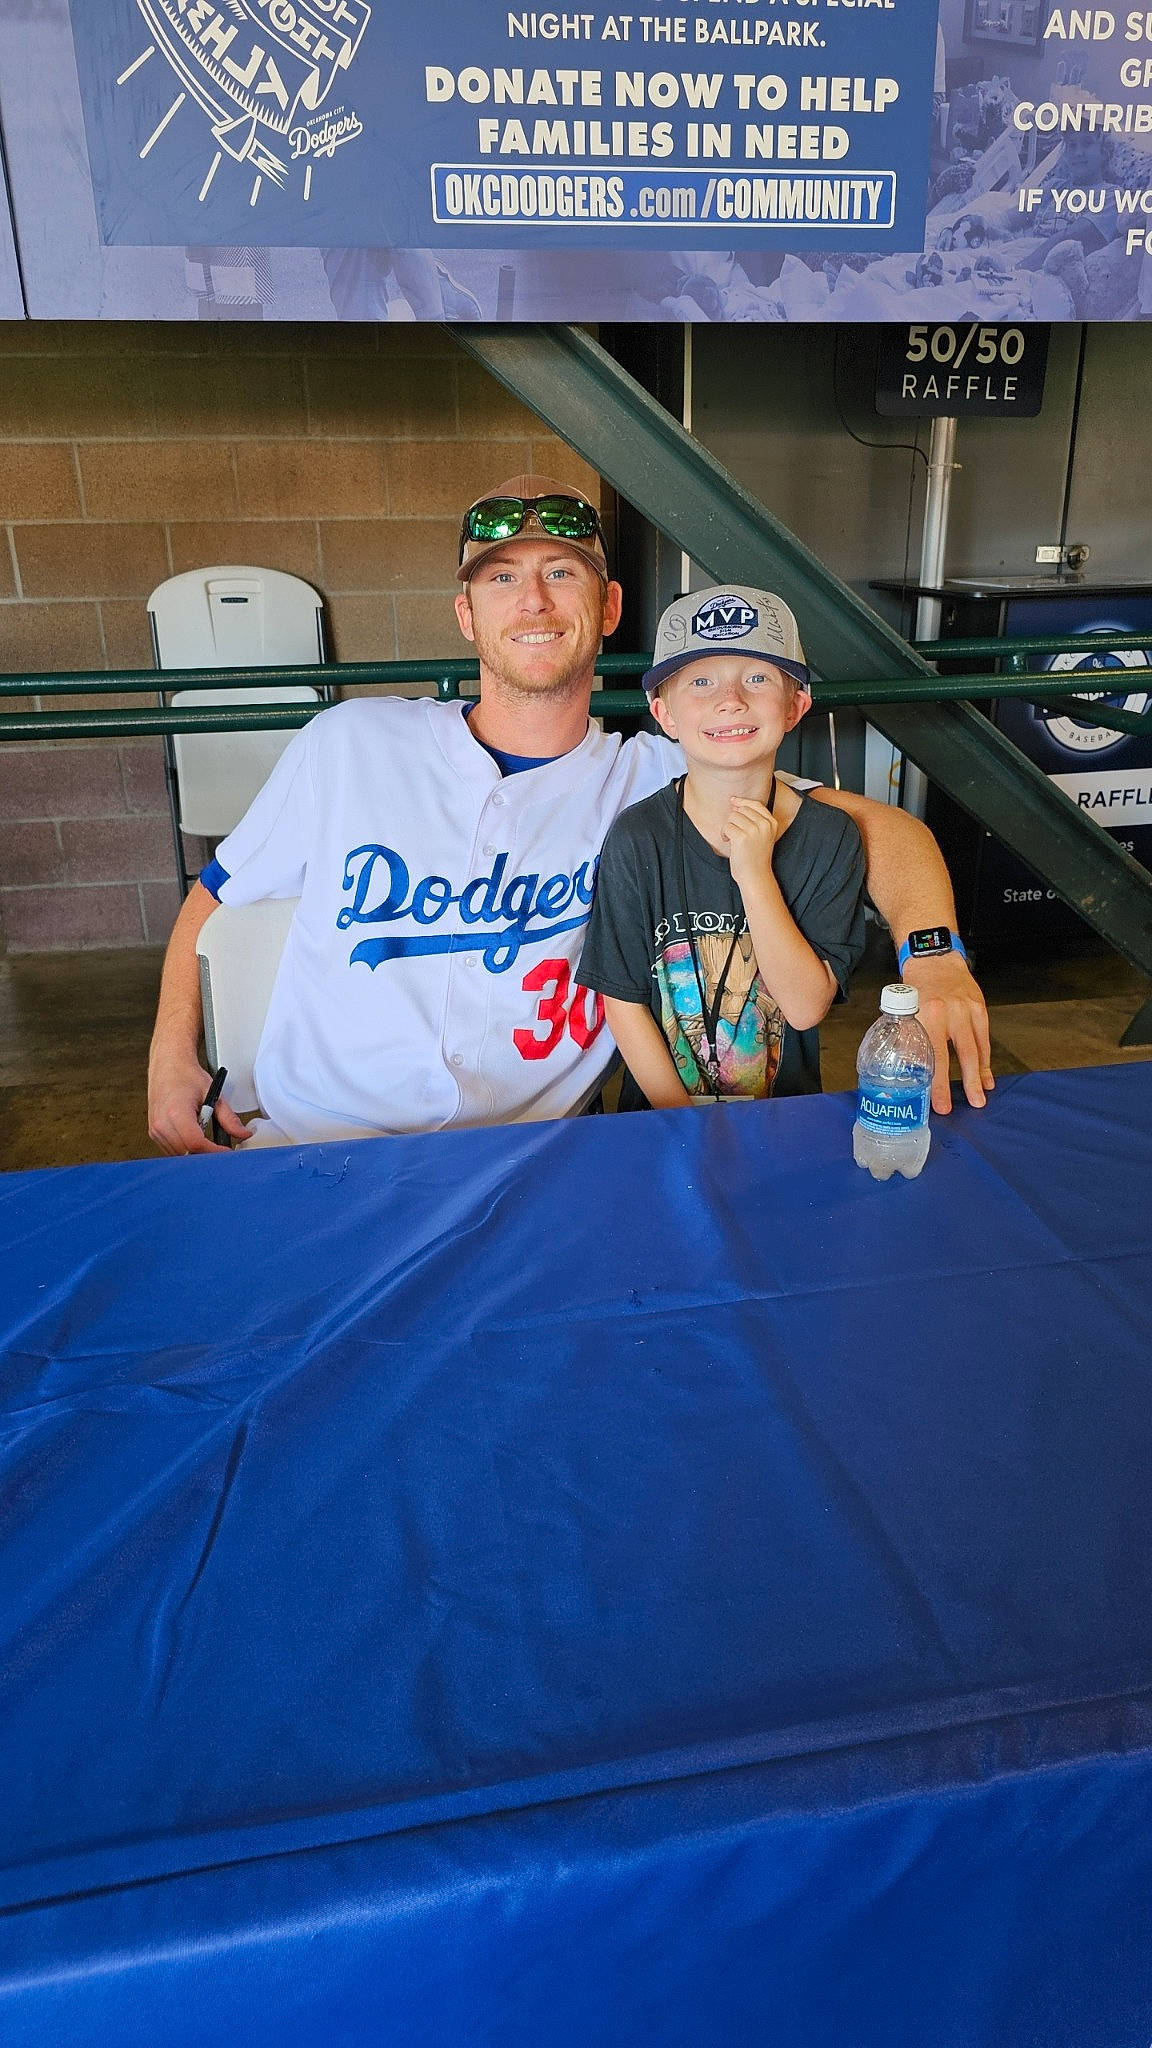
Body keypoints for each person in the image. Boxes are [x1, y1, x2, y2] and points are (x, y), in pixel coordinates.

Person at [148, 474, 993, 1155]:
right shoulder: (349, 741)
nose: (534, 600)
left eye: (561, 572)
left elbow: (885, 831)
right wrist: (168, 1058)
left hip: (538, 1154)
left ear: (610, 608)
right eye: (501, 578)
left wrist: (933, 956)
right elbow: (213, 897)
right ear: (466, 614)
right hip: (318, 1143)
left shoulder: (664, 777)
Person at [577, 586, 865, 1108]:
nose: (730, 699)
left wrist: (755, 875)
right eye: (701, 681)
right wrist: (687, 1127)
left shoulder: (831, 837)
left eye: (757, 678)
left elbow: (804, 1008)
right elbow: (622, 1002)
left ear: (796, 706)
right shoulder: (637, 838)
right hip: (666, 1123)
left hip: (784, 1120)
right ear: (664, 714)